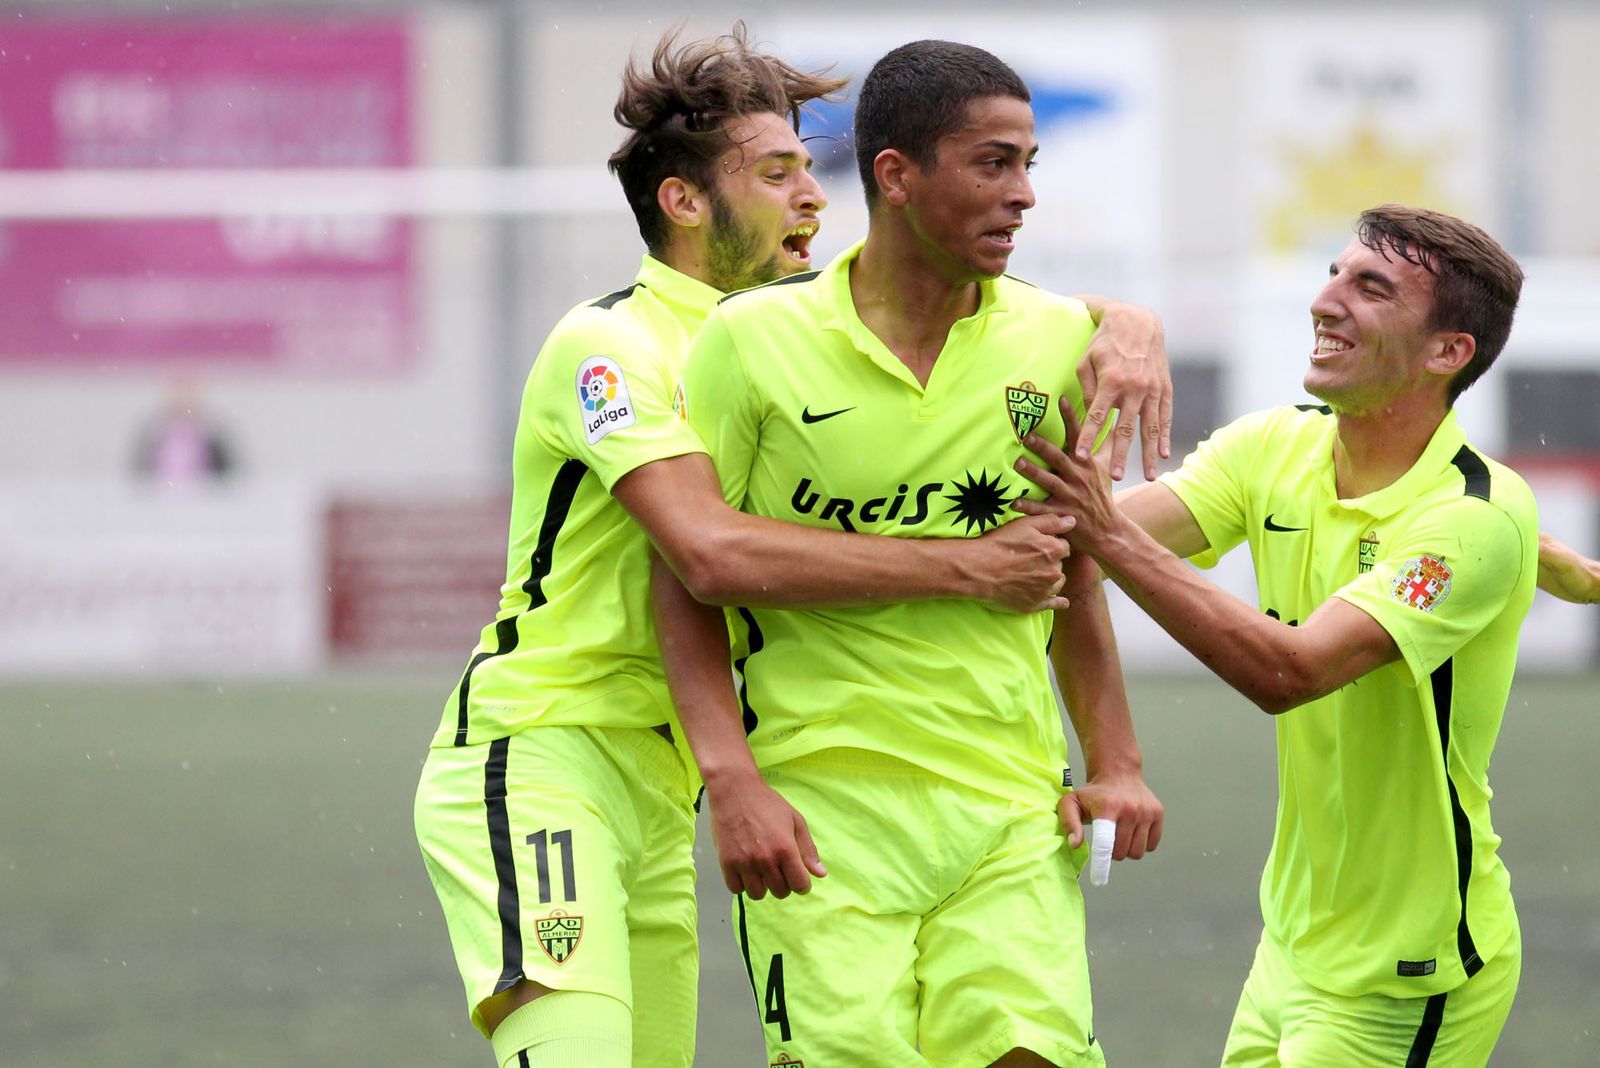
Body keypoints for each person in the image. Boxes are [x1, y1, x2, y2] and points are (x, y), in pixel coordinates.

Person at [413, 26, 1173, 1068]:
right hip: (549, 739)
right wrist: (967, 567)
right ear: (684, 203)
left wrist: (1126, 319)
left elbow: (1015, 320)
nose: (813, 197)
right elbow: (706, 554)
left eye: (809, 171)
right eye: (776, 175)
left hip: (668, 769)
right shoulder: (615, 346)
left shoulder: (787, 337)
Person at [656, 40, 1164, 1068]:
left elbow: (1071, 569)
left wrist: (1117, 763)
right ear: (895, 175)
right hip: (821, 809)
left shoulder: (1055, 341)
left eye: (1028, 165)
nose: (1022, 195)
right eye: (992, 164)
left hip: (1012, 804)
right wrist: (732, 780)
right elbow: (685, 575)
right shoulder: (749, 342)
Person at [1015, 205, 1534, 1065]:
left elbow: (1289, 673)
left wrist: (1104, 531)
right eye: (1335, 275)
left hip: (1406, 971)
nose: (1326, 302)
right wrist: (1118, 318)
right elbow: (1065, 546)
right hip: (1291, 943)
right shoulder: (1274, 445)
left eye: (1372, 289)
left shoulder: (1475, 517)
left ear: (1448, 352)